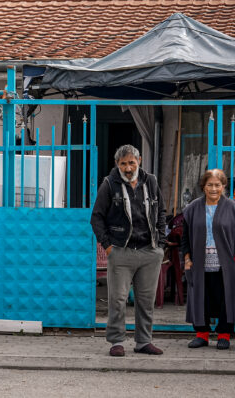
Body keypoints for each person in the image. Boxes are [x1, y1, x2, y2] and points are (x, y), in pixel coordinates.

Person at [91, 144, 167, 357]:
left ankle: (144, 341)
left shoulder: (150, 181)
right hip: (121, 251)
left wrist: (160, 243)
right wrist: (108, 246)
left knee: (146, 300)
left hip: (149, 251)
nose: (128, 168)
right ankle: (116, 341)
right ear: (117, 164)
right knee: (117, 299)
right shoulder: (109, 184)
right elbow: (96, 217)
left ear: (139, 161)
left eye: (131, 162)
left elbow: (161, 211)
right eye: (123, 163)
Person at [180, 168, 235, 350]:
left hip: (226, 263)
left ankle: (224, 335)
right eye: (210, 185)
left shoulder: (232, 208)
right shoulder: (192, 208)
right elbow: (185, 238)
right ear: (203, 187)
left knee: (226, 298)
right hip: (199, 262)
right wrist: (187, 259)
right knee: (201, 297)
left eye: (217, 185)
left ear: (223, 186)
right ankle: (202, 335)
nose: (214, 189)